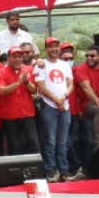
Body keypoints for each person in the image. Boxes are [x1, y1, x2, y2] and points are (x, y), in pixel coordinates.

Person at [34, 38, 73, 183]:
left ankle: (64, 170)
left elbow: (71, 85)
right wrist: (56, 100)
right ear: (46, 49)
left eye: (56, 46)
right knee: (50, 141)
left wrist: (63, 97)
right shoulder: (41, 65)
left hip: (65, 106)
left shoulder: (65, 65)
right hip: (49, 106)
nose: (54, 49)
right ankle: (50, 170)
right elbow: (41, 87)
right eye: (51, 47)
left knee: (62, 142)